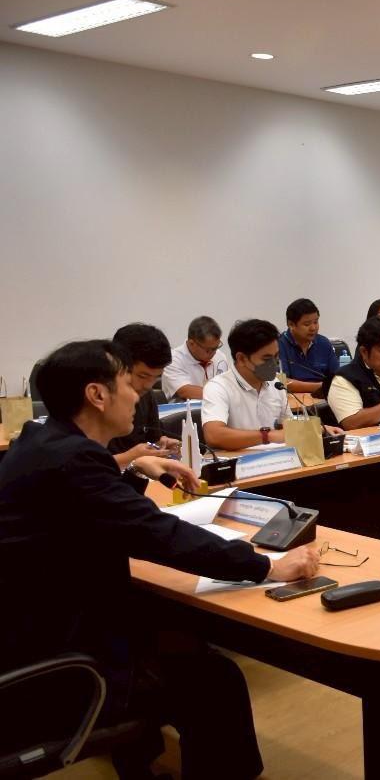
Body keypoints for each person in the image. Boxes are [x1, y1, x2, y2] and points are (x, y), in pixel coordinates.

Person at [0, 339, 319, 780]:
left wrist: (132, 467)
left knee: (175, 640)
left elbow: (93, 509)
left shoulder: (40, 441)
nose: (138, 395)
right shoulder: (74, 461)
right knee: (214, 680)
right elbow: (160, 535)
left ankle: (141, 763)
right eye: (127, 383)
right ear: (97, 395)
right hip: (57, 665)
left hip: (29, 634)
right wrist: (267, 567)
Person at [203, 319, 341, 450]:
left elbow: (287, 426)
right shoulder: (218, 387)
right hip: (238, 463)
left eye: (276, 356)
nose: (274, 364)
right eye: (267, 358)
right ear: (242, 359)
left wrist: (317, 429)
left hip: (277, 459)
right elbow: (214, 435)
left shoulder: (275, 384)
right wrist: (267, 436)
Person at [108, 323, 181, 468]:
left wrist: (160, 447)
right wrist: (131, 457)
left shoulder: (147, 395)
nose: (148, 385)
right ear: (117, 363)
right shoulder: (94, 402)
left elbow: (152, 440)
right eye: (142, 376)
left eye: (156, 377)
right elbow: (82, 466)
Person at [278, 298, 339, 396]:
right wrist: (321, 386)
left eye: (316, 322)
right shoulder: (279, 345)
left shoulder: (323, 343)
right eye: (307, 324)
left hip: (324, 397)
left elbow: (337, 377)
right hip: (294, 400)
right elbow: (282, 382)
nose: (313, 328)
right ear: (291, 324)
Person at [161, 315, 231, 401]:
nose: (214, 353)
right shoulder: (172, 359)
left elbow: (226, 385)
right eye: (208, 350)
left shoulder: (220, 356)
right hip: (182, 408)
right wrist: (222, 393)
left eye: (216, 347)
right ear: (191, 344)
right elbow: (185, 391)